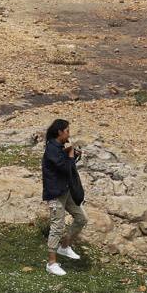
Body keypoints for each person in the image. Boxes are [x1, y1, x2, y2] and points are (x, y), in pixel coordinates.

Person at [41, 118, 87, 276]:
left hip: (65, 192)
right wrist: (71, 155)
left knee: (81, 218)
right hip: (55, 194)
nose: (69, 133)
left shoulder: (59, 147)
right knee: (57, 226)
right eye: (67, 131)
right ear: (60, 132)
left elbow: (64, 161)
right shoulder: (51, 149)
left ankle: (65, 246)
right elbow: (63, 167)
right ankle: (51, 263)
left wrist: (70, 153)